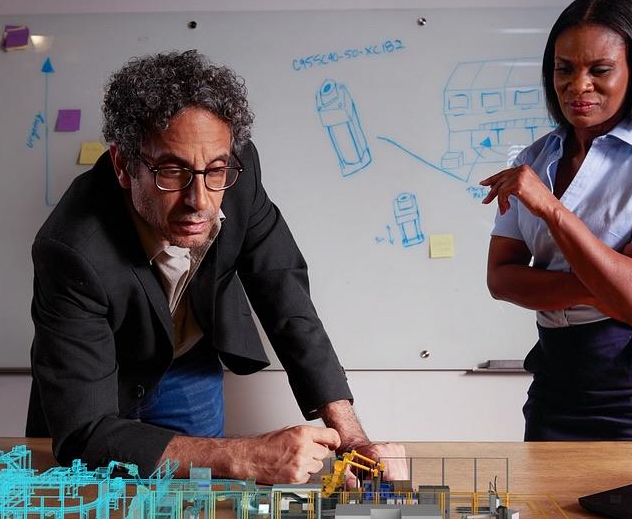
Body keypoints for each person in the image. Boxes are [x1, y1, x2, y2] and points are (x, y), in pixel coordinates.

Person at [27, 50, 406, 482]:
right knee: (90, 500)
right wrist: (247, 456)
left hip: (188, 364)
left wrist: (351, 437)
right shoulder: (69, 249)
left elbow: (285, 297)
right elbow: (85, 435)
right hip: (102, 372)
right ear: (123, 165)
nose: (200, 201)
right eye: (172, 172)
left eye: (215, 171)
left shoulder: (237, 172)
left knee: (199, 505)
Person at [481, 0, 632, 441]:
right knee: (546, 494)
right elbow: (501, 279)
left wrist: (550, 207)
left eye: (600, 70)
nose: (578, 85)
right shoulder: (534, 160)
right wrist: (604, 292)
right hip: (556, 376)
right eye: (564, 69)